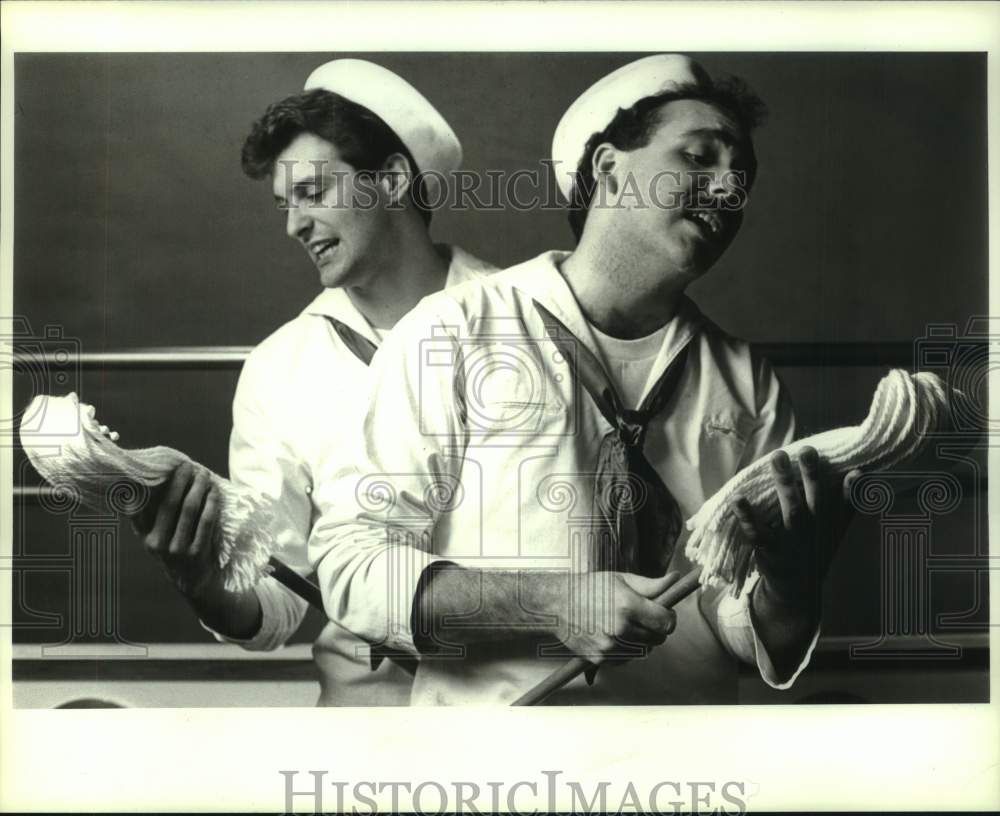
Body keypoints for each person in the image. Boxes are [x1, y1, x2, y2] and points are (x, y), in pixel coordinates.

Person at [307, 54, 860, 705]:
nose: (728, 187)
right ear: (608, 168)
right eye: (699, 157)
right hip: (491, 767)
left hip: (681, 766)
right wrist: (549, 604)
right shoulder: (453, 330)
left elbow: (739, 626)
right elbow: (355, 565)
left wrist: (789, 588)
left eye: (743, 175)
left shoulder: (748, 385)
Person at [131, 59, 495, 705]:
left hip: (536, 711)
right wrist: (201, 580)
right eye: (284, 203)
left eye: (314, 192)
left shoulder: (531, 319)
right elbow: (272, 601)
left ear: (391, 178)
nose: (293, 225)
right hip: (370, 729)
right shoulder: (279, 369)